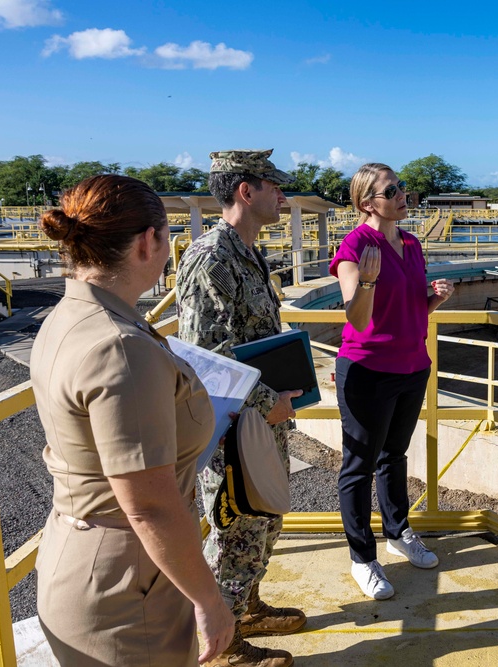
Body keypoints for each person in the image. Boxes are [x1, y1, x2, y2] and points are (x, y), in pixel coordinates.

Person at [31, 175, 235, 666]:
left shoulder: (71, 316)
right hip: (130, 581)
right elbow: (149, 506)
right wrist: (210, 600)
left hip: (85, 551)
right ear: (150, 241)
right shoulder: (121, 346)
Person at [177, 149, 306, 667]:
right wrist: (263, 399)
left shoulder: (248, 251)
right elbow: (203, 353)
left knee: (264, 519)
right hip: (232, 419)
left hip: (259, 415)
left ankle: (245, 607)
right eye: (274, 185)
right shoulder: (212, 256)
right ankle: (223, 648)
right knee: (237, 527)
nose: (283, 195)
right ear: (245, 191)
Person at [329, 163, 454, 600]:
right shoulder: (356, 246)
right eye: (392, 190)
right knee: (358, 466)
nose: (404, 194)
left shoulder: (413, 243)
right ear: (368, 202)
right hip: (368, 370)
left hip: (412, 365)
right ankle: (362, 558)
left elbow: (410, 310)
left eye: (402, 187)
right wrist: (366, 280)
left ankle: (398, 533)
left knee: (394, 455)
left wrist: (432, 300)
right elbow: (358, 317)